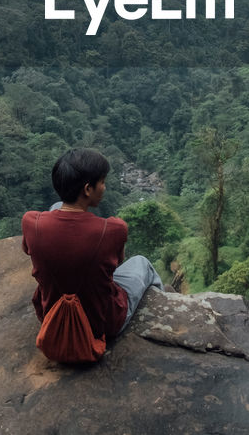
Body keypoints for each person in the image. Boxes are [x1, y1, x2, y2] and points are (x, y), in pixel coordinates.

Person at [21, 147, 163, 343]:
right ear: (88, 189)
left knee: (56, 208)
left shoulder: (30, 222)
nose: (104, 187)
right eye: (102, 182)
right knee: (142, 262)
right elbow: (116, 265)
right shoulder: (114, 229)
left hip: (52, 315)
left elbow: (27, 250)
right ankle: (162, 313)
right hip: (101, 323)